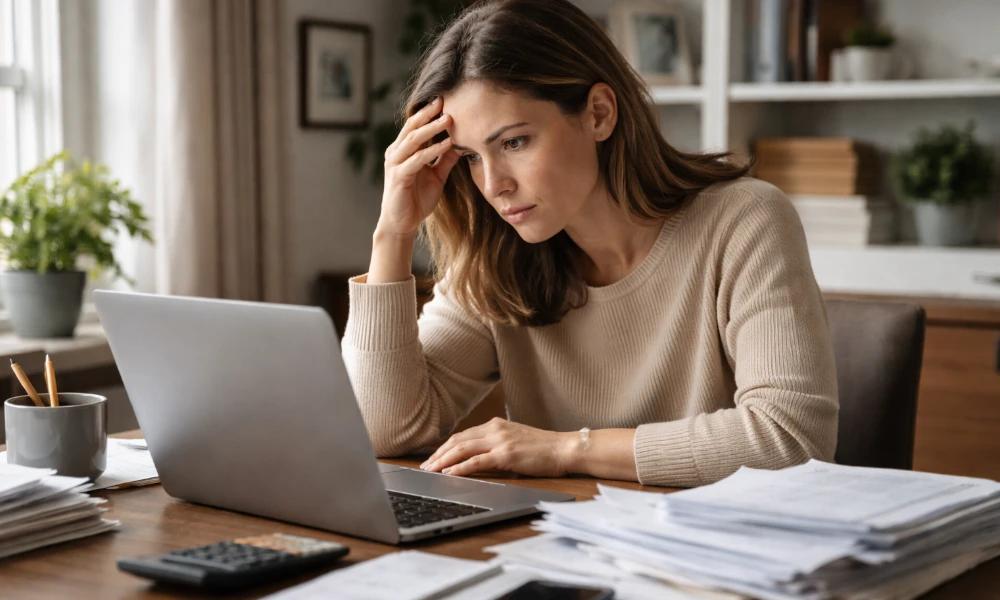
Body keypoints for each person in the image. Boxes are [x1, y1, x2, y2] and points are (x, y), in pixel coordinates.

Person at [342, 0, 838, 488]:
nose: (493, 185)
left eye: (514, 142)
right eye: (470, 157)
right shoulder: (496, 259)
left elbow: (789, 438)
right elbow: (383, 430)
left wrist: (564, 449)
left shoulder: (743, 221)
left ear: (599, 113)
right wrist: (393, 234)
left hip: (719, 553)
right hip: (566, 544)